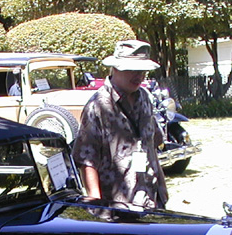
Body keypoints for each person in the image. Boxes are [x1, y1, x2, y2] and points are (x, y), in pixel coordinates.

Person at [72, 40, 168, 208]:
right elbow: (86, 160)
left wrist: (161, 187)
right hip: (118, 205)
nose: (139, 75)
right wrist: (96, 203)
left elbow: (153, 143)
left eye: (142, 70)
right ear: (115, 68)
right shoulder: (98, 106)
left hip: (151, 197)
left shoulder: (145, 98)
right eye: (132, 70)